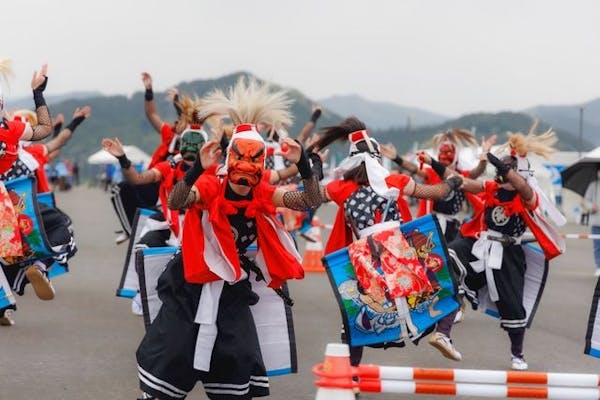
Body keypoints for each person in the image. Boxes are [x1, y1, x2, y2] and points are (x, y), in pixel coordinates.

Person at [135, 77, 323, 400]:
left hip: (231, 291)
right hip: (190, 287)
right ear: (230, 158)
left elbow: (308, 199)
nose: (247, 170)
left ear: (262, 164)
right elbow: (177, 201)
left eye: (255, 161)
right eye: (241, 159)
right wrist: (196, 170)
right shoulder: (211, 186)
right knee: (170, 362)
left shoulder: (262, 192)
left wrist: (304, 164)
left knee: (236, 364)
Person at [309, 117, 463, 368]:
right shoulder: (394, 181)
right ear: (377, 158)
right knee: (448, 272)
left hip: (364, 259)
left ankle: (351, 375)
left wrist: (313, 168)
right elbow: (435, 192)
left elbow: (309, 197)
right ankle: (443, 333)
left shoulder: (341, 187)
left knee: (355, 314)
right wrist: (453, 183)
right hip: (399, 251)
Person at [431, 129, 565, 370]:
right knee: (451, 259)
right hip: (481, 245)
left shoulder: (527, 196)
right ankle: (444, 332)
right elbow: (467, 182)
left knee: (512, 306)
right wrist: (443, 171)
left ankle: (517, 354)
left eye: (506, 171)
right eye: (501, 171)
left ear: (517, 172)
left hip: (508, 256)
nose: (501, 176)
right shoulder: (494, 188)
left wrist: (498, 163)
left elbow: (521, 186)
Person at [583, 171, 600, 276]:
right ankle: (599, 267)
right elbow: (585, 202)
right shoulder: (593, 185)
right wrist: (591, 206)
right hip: (596, 222)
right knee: (597, 246)